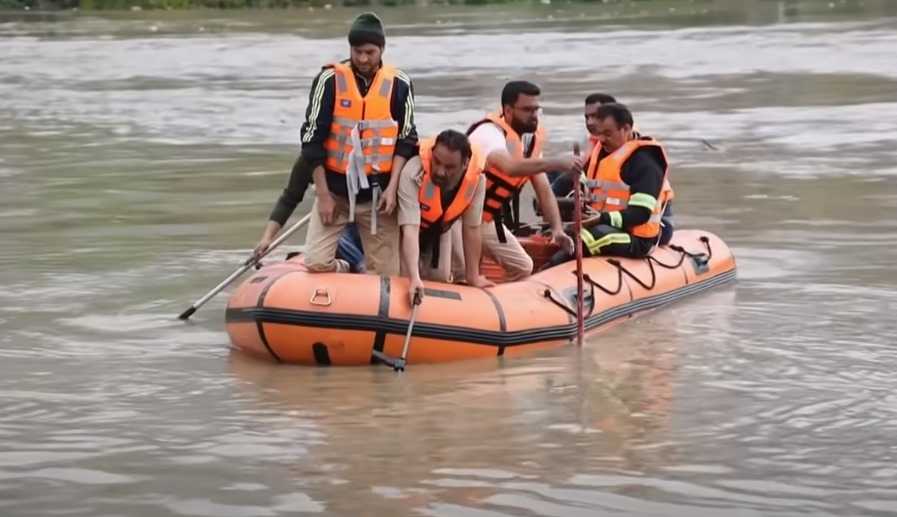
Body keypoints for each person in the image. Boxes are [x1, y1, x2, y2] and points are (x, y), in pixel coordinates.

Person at [254, 12, 417, 275]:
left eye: (370, 52)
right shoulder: (328, 81)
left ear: (382, 50)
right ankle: (345, 267)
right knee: (317, 264)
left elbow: (407, 139)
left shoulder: (400, 84)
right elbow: (311, 138)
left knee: (387, 276)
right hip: (336, 193)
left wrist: (392, 188)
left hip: (377, 197)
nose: (363, 59)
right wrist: (323, 195)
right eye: (357, 51)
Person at [463, 81, 579, 281]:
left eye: (536, 109)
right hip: (459, 217)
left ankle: (496, 306)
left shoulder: (530, 140)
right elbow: (511, 167)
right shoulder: (488, 133)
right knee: (456, 272)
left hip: (486, 219)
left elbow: (543, 189)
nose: (534, 115)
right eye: (527, 110)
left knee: (524, 267)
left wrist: (557, 229)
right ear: (508, 110)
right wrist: (556, 163)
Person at [548, 103, 674, 265]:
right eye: (599, 134)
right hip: (602, 222)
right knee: (556, 234)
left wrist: (600, 219)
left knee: (584, 240)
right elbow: (582, 179)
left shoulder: (645, 162)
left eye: (608, 134)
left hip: (636, 238)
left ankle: (549, 270)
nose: (601, 139)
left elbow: (640, 214)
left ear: (626, 129)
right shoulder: (601, 152)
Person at [397, 130, 494, 305]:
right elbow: (409, 228)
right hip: (405, 228)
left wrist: (473, 277)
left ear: (465, 164)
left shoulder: (477, 181)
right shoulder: (413, 173)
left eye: (449, 167)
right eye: (437, 162)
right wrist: (413, 277)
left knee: (440, 277)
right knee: (404, 278)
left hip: (439, 229)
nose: (440, 172)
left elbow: (472, 228)